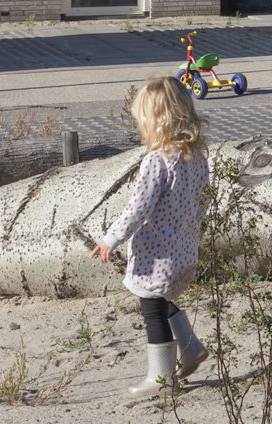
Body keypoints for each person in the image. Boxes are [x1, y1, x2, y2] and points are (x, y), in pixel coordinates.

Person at [90, 77, 211, 398]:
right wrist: (191, 229)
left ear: (157, 122)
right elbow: (205, 199)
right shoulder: (197, 158)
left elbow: (137, 208)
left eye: (143, 122)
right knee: (161, 299)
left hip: (157, 254)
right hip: (184, 250)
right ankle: (191, 347)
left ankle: (161, 379)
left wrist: (110, 239)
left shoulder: (157, 162)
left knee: (152, 309)